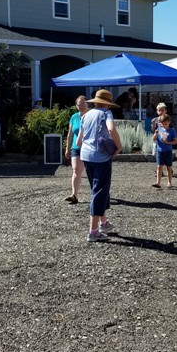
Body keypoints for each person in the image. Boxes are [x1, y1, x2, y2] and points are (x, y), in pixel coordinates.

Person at [76, 89, 122, 243]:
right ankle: (93, 231)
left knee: (97, 189)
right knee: (100, 191)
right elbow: (111, 129)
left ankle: (103, 223)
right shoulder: (106, 114)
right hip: (100, 156)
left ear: (95, 101)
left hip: (85, 155)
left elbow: (79, 140)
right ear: (107, 105)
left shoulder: (86, 115)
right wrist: (119, 146)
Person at [64, 96, 89, 204]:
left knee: (91, 171)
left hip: (89, 147)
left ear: (87, 105)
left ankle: (99, 193)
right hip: (76, 147)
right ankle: (74, 195)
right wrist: (67, 148)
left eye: (84, 104)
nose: (82, 106)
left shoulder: (90, 116)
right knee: (76, 170)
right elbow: (70, 134)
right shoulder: (74, 117)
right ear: (76, 106)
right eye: (79, 104)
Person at [153, 114, 177, 188]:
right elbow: (154, 139)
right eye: (163, 123)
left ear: (169, 122)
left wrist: (168, 142)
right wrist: (156, 133)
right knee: (159, 166)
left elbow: (175, 141)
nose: (164, 125)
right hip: (159, 151)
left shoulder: (172, 131)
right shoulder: (159, 128)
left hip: (168, 151)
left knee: (168, 167)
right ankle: (158, 182)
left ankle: (169, 182)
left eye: (166, 123)